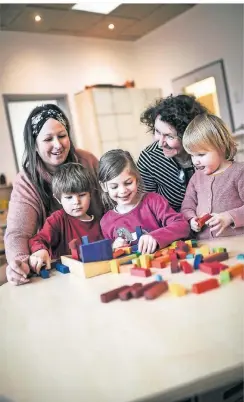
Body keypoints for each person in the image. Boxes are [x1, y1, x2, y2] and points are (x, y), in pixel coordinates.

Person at [5, 103, 102, 285]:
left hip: (98, 254)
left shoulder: (87, 161)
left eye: (62, 136)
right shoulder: (27, 180)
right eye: (48, 139)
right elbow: (18, 233)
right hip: (58, 267)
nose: (57, 145)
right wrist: (20, 262)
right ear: (34, 145)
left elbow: (112, 204)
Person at [98, 149, 190, 254]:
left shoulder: (153, 201)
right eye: (114, 187)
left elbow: (182, 226)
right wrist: (113, 247)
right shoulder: (106, 222)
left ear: (137, 179)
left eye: (128, 183)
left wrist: (155, 237)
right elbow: (108, 257)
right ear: (104, 186)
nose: (123, 191)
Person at [137, 94, 207, 212]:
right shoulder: (149, 158)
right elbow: (148, 208)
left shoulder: (209, 151)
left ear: (189, 135)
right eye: (157, 132)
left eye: (169, 136)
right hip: (174, 224)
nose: (160, 143)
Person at [29, 163, 103, 272]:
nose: (76, 202)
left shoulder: (100, 222)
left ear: (90, 194)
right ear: (58, 199)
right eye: (69, 197)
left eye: (82, 195)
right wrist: (40, 250)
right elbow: (38, 239)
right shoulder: (57, 220)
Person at [181, 114, 244, 239]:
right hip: (206, 245)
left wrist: (229, 216)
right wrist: (191, 219)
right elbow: (187, 207)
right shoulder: (196, 178)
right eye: (192, 155)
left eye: (201, 154)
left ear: (220, 147)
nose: (195, 161)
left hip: (238, 241)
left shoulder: (239, 172)